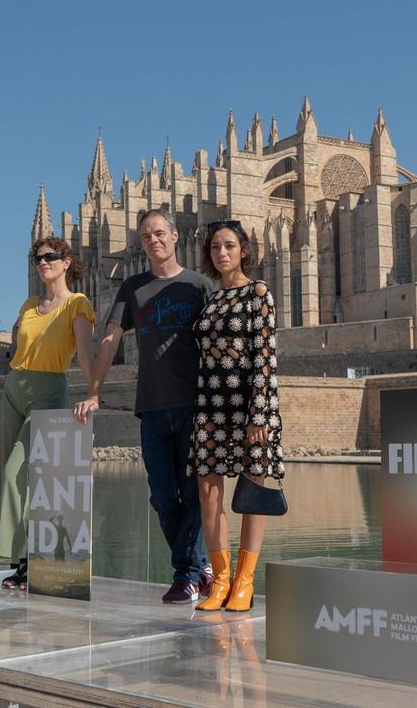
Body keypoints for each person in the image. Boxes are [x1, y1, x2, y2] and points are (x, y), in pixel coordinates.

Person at [73, 209, 213, 604]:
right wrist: (94, 390)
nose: (154, 241)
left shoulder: (199, 285)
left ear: (175, 235)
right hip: (151, 407)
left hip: (194, 406)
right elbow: (110, 340)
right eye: (146, 236)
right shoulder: (132, 288)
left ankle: (186, 575)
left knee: (195, 494)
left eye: (159, 233)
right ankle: (200, 566)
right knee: (163, 497)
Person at [0, 236, 95, 589]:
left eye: (50, 256)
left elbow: (84, 352)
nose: (43, 262)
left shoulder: (77, 303)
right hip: (14, 389)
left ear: (67, 262)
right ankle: (21, 559)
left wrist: (93, 392)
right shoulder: (29, 304)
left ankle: (37, 557)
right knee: (8, 472)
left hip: (49, 391)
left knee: (26, 474)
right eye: (38, 258)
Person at [190, 220, 284, 611]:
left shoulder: (258, 293)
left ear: (243, 250)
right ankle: (221, 581)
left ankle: (244, 582)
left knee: (252, 490)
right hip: (211, 403)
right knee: (208, 491)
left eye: (229, 245)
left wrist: (258, 415)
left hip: (250, 405)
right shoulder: (211, 300)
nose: (222, 253)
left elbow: (265, 356)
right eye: (215, 247)